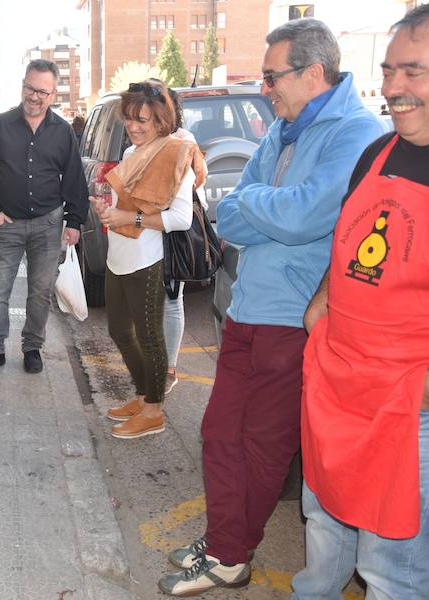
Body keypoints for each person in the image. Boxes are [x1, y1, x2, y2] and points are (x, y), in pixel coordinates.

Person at [159, 18, 384, 596]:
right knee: (218, 435)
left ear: (313, 74)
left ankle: (232, 554)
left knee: (262, 445)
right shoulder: (284, 128)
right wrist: (265, 207)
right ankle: (224, 542)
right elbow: (228, 218)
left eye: (270, 76)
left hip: (295, 322)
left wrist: (257, 203)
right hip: (247, 311)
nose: (264, 88)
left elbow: (305, 216)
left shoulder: (353, 132)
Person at [293, 6, 429, 598]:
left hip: (404, 407)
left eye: (414, 72)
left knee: (390, 569)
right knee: (323, 525)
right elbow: (350, 243)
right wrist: (322, 299)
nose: (393, 88)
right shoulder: (377, 153)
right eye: (388, 70)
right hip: (338, 383)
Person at [0, 59, 89, 375]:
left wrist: (74, 220)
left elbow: (74, 178)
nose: (34, 96)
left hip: (49, 225)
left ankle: (32, 347)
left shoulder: (63, 132)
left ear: (53, 95)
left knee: (39, 291)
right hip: (7, 225)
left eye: (42, 91)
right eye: (29, 88)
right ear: (22, 85)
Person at [93, 80, 197, 439]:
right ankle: (143, 395)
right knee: (119, 330)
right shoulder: (128, 155)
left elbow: (181, 219)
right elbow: (125, 208)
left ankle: (154, 411)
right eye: (129, 118)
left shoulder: (176, 154)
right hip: (118, 256)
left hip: (147, 260)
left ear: (161, 121)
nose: (134, 126)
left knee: (151, 338)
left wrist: (130, 219)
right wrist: (109, 211)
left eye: (143, 120)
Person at [159, 84, 208, 396]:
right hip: (148, 230)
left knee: (171, 298)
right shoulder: (140, 140)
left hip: (174, 230)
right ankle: (154, 366)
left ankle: (169, 367)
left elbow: (195, 188)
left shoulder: (183, 141)